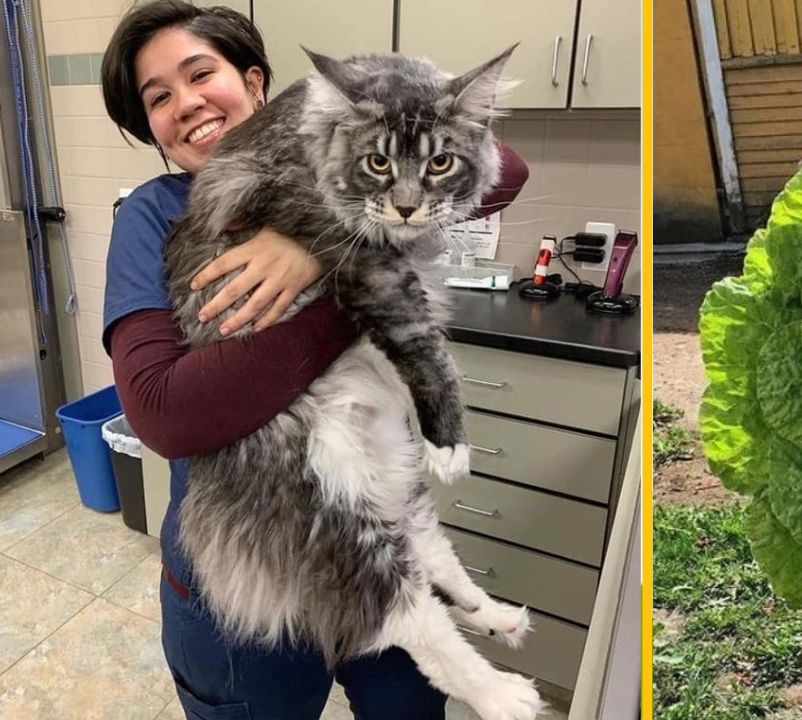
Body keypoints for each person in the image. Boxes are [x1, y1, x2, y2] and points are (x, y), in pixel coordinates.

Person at [98, 2, 528, 718]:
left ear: (256, 80)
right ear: (150, 128)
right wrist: (352, 280)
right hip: (253, 555)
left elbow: (502, 165)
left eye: (201, 73)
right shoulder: (148, 216)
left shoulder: (351, 149)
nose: (187, 104)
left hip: (373, 532)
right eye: (158, 98)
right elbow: (165, 416)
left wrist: (310, 247)